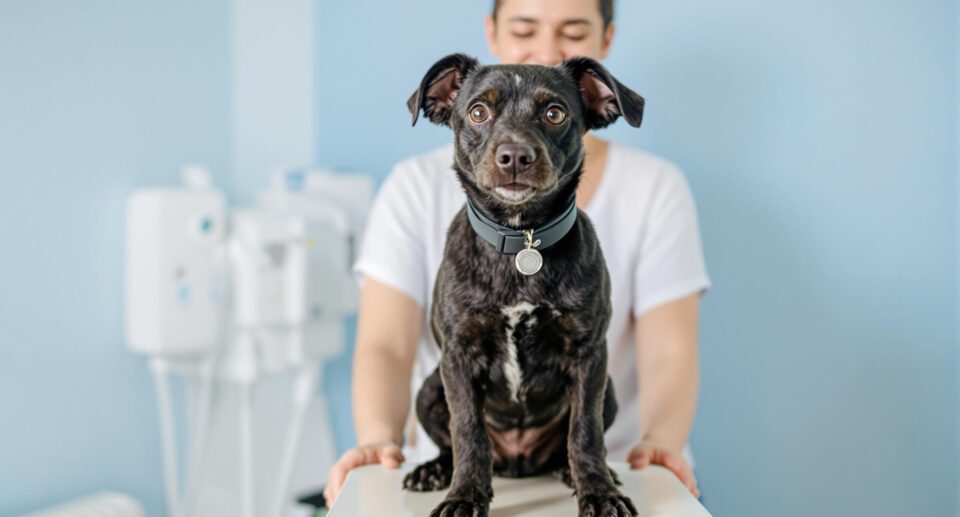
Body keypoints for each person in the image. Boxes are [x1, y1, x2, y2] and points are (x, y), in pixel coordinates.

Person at [323, 0, 711, 506]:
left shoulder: (657, 187)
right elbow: (385, 346)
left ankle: (582, 465)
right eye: (481, 112)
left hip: (610, 456)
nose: (513, 147)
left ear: (596, 97)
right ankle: (459, 466)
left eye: (552, 113)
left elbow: (670, 351)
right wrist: (379, 440)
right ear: (448, 105)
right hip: (459, 454)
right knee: (434, 391)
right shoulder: (410, 187)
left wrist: (662, 441)